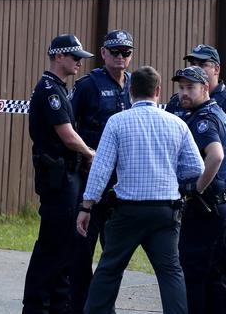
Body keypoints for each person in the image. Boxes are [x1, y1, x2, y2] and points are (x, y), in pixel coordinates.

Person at [77, 66, 204, 314]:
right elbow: (196, 167)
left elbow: (101, 168)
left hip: (127, 212)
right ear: (158, 91)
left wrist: (87, 205)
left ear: (130, 91)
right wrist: (171, 177)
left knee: (109, 270)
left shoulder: (117, 122)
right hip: (165, 212)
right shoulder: (177, 124)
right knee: (171, 273)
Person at [23, 34, 96, 314]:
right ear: (58, 56)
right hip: (58, 177)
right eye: (75, 56)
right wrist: (91, 154)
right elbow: (67, 135)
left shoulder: (59, 88)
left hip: (66, 176)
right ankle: (36, 304)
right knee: (52, 244)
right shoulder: (50, 91)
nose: (79, 62)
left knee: (65, 242)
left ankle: (57, 302)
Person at [69, 29, 133, 313]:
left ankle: (105, 306)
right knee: (82, 248)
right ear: (104, 53)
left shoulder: (133, 84)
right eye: (115, 52)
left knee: (114, 251)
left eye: (126, 52)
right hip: (91, 176)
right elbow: (67, 125)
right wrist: (83, 154)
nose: (120, 57)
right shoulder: (88, 85)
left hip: (121, 182)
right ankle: (80, 305)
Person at [171, 65, 226, 314]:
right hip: (220, 205)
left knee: (193, 273)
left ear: (205, 88)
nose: (184, 93)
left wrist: (196, 189)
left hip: (207, 208)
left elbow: (215, 156)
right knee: (216, 276)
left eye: (190, 88)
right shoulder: (216, 112)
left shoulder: (204, 119)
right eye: (181, 87)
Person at [166, 44, 226, 118]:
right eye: (193, 64)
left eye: (202, 65)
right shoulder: (177, 101)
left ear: (216, 69)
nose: (195, 69)